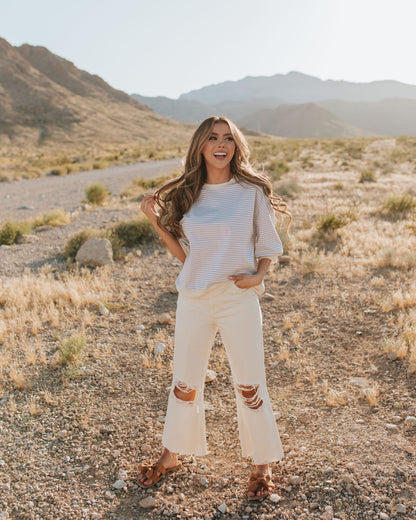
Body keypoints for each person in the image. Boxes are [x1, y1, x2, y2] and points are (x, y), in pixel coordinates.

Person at [138, 116, 291, 500]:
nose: (221, 144)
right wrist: (157, 224)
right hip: (194, 298)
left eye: (228, 138)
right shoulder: (188, 194)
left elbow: (268, 242)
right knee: (184, 380)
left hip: (237, 298)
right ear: (201, 147)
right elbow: (185, 254)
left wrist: (259, 275)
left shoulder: (251, 191)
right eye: (212, 138)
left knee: (249, 381)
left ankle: (262, 464)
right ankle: (171, 454)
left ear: (236, 146)